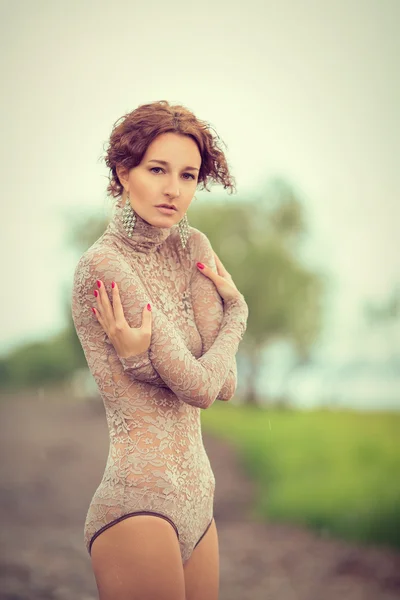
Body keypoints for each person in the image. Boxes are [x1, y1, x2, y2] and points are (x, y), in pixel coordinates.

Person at [71, 100, 249, 600]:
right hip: (137, 504)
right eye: (157, 170)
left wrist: (144, 362)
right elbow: (197, 387)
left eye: (189, 175)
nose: (174, 189)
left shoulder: (193, 248)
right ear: (124, 172)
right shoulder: (104, 265)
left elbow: (225, 384)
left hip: (200, 504)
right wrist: (239, 314)